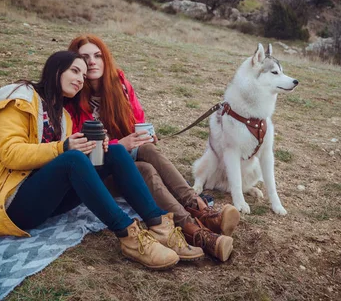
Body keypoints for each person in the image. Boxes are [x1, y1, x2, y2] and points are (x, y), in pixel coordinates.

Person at [0, 51, 197, 270]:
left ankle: (159, 226)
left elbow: (66, 164)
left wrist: (96, 149)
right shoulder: (18, 100)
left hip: (48, 201)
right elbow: (11, 154)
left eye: (83, 74)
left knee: (115, 152)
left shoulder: (62, 116)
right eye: (75, 70)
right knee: (71, 158)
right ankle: (129, 236)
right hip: (12, 203)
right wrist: (65, 147)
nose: (81, 79)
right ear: (55, 70)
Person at [67, 35, 240, 262]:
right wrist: (122, 144)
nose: (92, 62)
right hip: (99, 172)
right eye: (84, 57)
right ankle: (197, 230)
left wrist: (146, 135)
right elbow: (85, 152)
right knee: (145, 170)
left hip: (127, 162)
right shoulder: (73, 95)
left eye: (97, 55)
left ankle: (201, 216)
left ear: (105, 58)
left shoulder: (119, 85)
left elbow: (138, 120)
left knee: (147, 153)